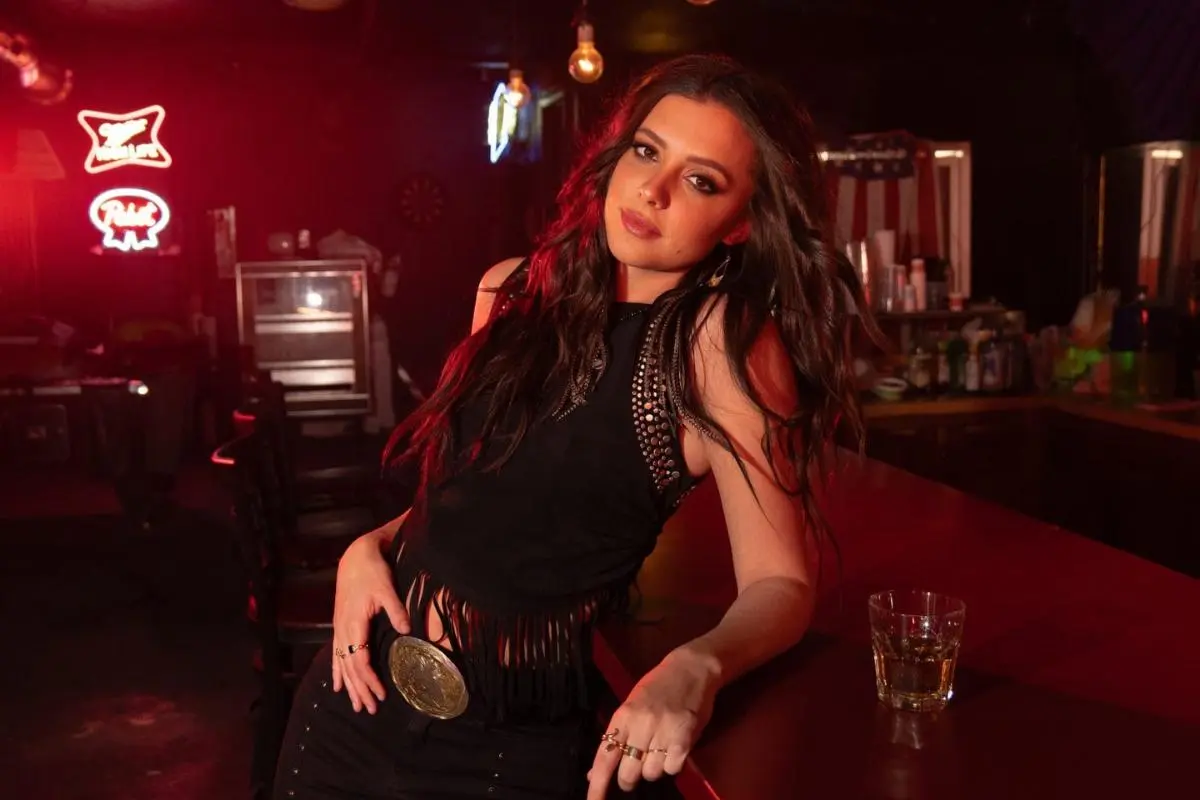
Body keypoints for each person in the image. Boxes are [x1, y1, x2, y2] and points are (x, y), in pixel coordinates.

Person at [273, 53, 871, 800]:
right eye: (646, 151)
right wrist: (371, 546)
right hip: (353, 703)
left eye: (701, 180)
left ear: (742, 222)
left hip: (506, 748)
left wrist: (697, 665)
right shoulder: (509, 290)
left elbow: (781, 584)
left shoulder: (717, 344)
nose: (652, 190)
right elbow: (471, 497)